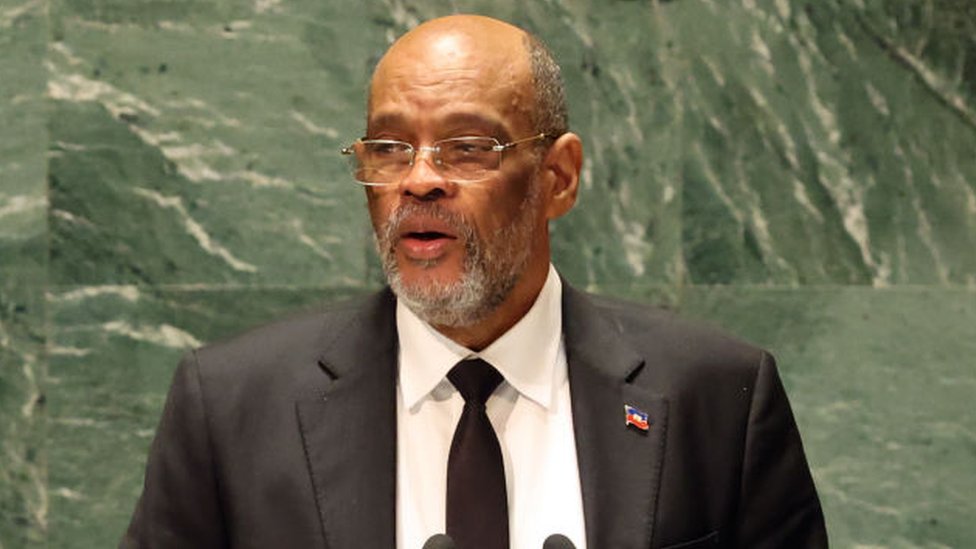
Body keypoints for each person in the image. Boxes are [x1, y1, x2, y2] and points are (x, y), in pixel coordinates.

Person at [121, 14, 827, 549]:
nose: (420, 179)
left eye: (467, 147)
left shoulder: (718, 396)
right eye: (390, 148)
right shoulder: (233, 407)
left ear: (557, 178)